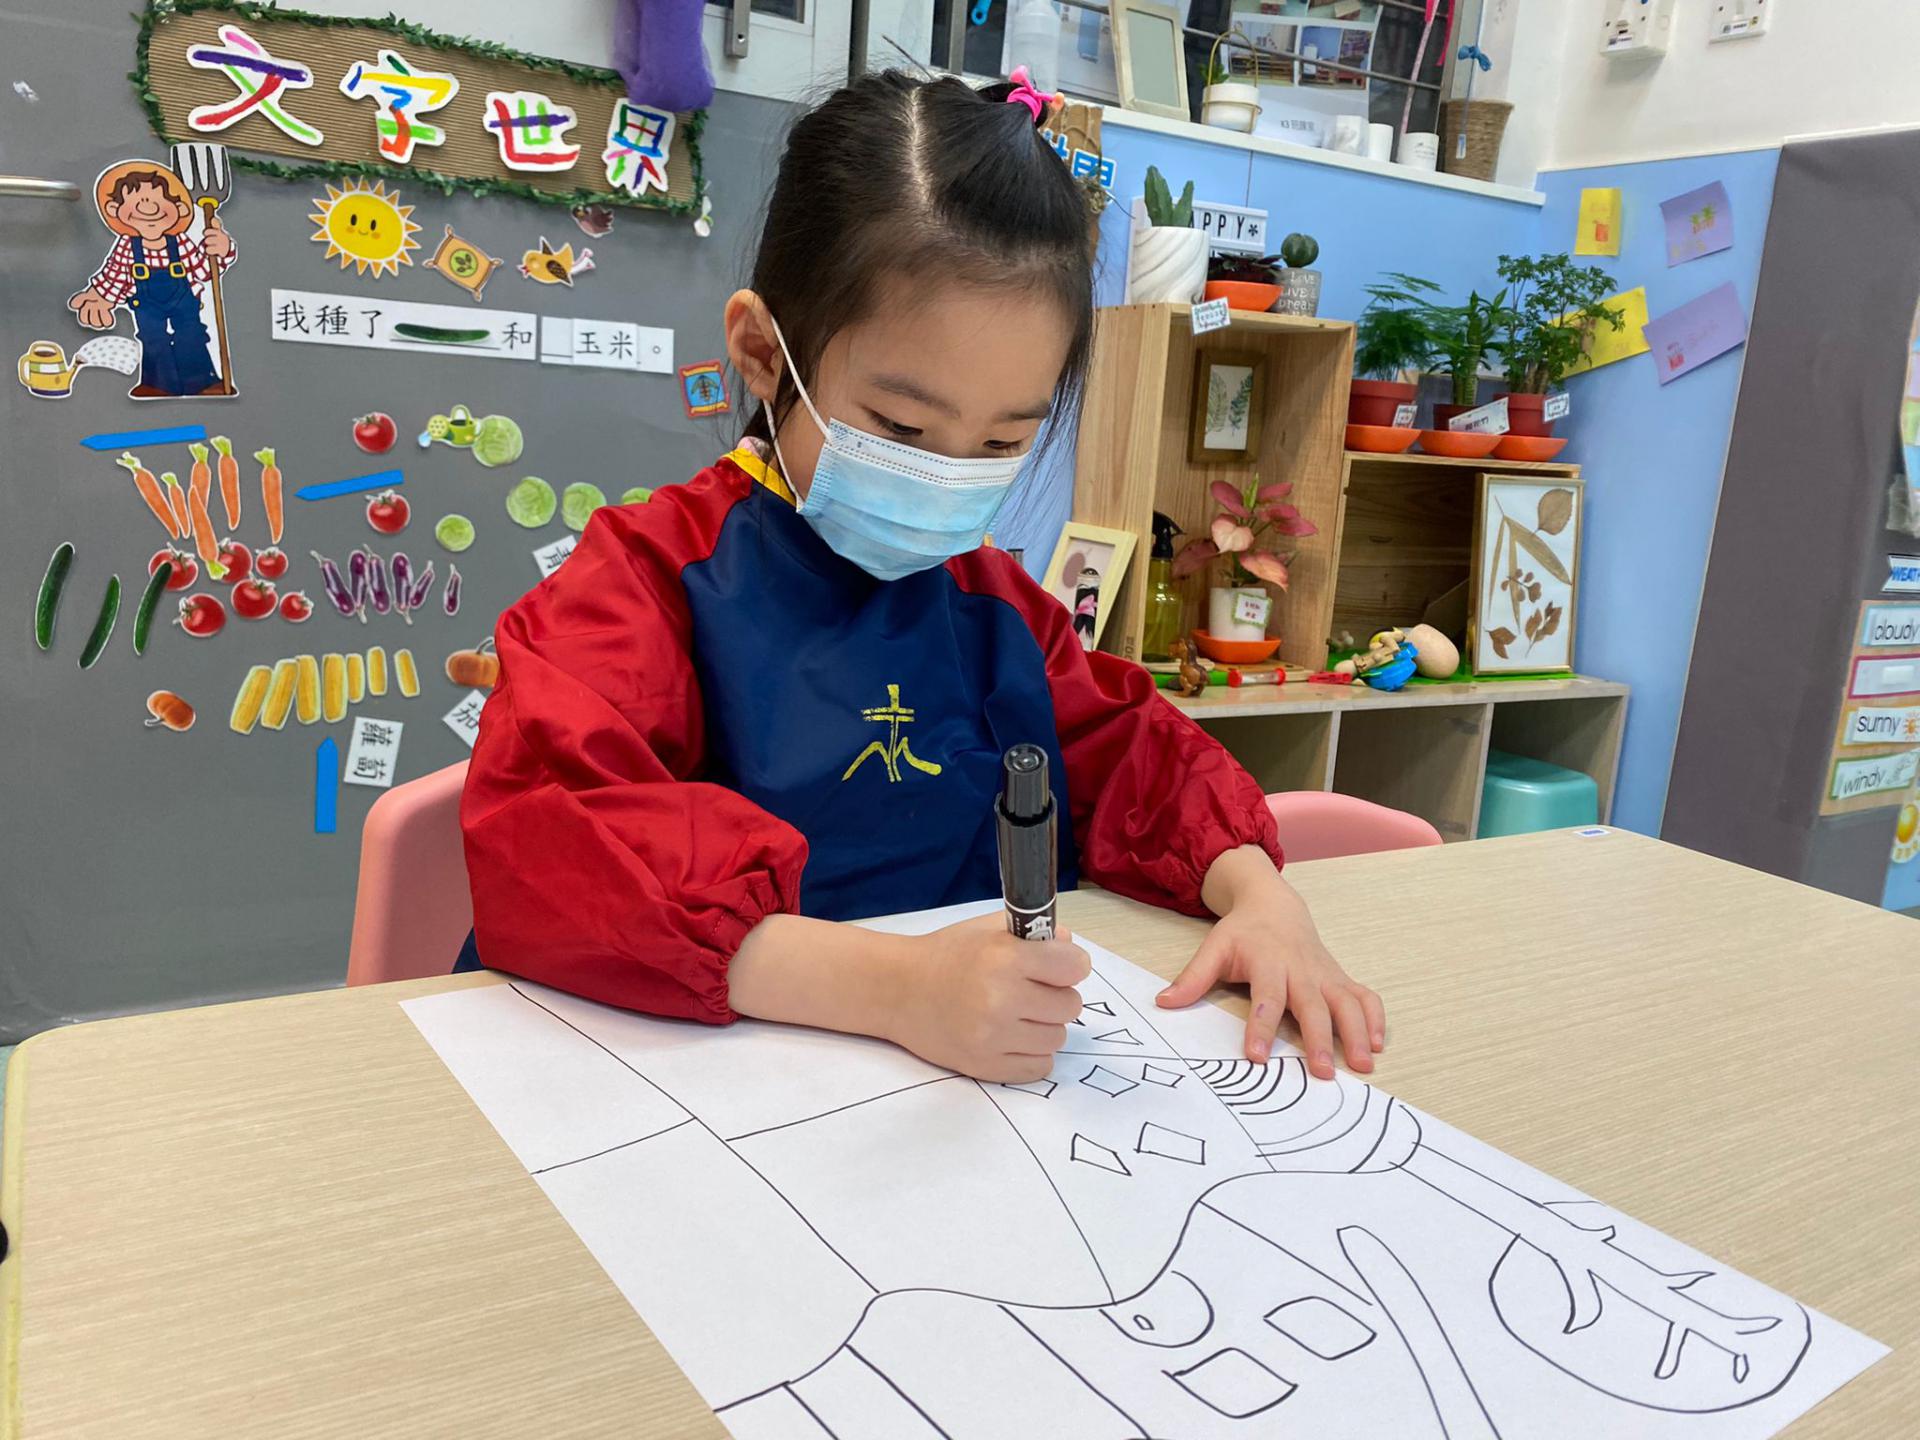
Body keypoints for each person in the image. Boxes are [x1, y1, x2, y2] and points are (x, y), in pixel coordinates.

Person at [460, 70, 1384, 1085]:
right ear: (765, 353)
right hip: (704, 1073)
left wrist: (1261, 897)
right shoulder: (648, 577)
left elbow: (1133, 755)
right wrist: (897, 990)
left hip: (959, 1077)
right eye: (901, 427)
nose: (947, 477)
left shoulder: (991, 603)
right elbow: (558, 839)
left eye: (1002, 442)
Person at [68, 162, 234, 398]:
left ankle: (201, 383)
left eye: (159, 200)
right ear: (114, 209)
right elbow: (116, 274)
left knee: (191, 335)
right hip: (147, 307)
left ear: (180, 209)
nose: (148, 207)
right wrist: (101, 298)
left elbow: (202, 271)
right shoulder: (127, 246)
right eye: (136, 201)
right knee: (153, 340)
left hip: (184, 303)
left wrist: (219, 250)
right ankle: (159, 384)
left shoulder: (180, 242)